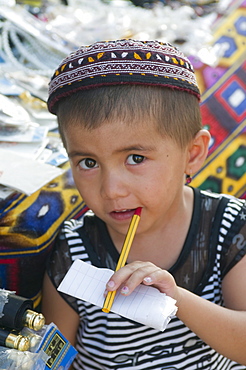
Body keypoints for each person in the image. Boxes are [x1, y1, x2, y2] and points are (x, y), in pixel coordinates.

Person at [42, 39, 246, 370]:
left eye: (136, 158)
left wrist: (176, 299)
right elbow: (50, 358)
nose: (111, 190)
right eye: (88, 163)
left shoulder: (228, 227)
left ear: (192, 155)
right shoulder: (74, 251)